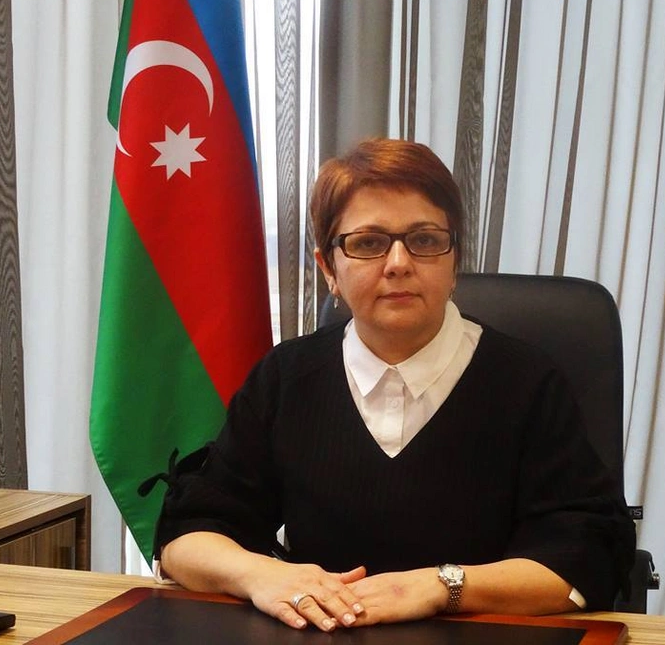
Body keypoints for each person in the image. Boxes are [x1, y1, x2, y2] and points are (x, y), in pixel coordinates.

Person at [153, 137, 635, 632]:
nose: (399, 262)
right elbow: (188, 535)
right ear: (329, 269)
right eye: (368, 243)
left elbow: (586, 555)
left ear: (454, 261)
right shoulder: (285, 379)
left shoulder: (527, 383)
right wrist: (263, 575)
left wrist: (441, 586)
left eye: (424, 240)